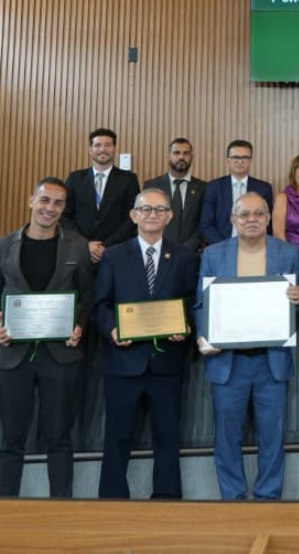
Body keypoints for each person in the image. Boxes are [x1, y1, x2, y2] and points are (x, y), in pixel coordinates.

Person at [0, 177, 93, 497]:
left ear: (64, 208)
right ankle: (3, 509)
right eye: (44, 200)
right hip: (13, 356)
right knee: (11, 440)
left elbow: (87, 295)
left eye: (58, 203)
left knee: (60, 439)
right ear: (31, 201)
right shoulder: (1, 247)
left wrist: (79, 325)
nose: (50, 208)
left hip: (61, 355)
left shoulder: (78, 246)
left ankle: (62, 509)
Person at [195, 192, 299, 500]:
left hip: (272, 362)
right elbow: (201, 304)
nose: (252, 219)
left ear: (269, 219)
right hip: (228, 362)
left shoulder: (288, 253)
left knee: (273, 437)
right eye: (244, 214)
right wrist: (204, 336)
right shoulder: (213, 254)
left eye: (259, 214)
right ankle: (233, 500)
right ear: (233, 220)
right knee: (226, 438)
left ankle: (268, 498)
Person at [92, 188, 197, 499]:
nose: (153, 214)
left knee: (167, 437)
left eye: (160, 209)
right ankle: (113, 502)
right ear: (133, 215)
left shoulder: (185, 258)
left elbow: (191, 301)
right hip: (124, 362)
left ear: (170, 216)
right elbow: (101, 304)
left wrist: (186, 325)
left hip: (167, 362)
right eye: (146, 209)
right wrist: (112, 329)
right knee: (117, 438)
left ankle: (167, 501)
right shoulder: (113, 256)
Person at [62, 127, 140, 263]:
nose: (102, 149)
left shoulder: (129, 179)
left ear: (114, 149)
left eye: (107, 145)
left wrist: (106, 246)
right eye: (97, 145)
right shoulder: (75, 179)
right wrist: (85, 244)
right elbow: (64, 216)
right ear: (90, 150)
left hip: (116, 251)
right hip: (80, 252)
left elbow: (132, 217)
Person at [200, 139, 273, 245]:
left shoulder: (264, 189)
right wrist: (226, 246)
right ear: (228, 160)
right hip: (221, 247)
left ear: (250, 160)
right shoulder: (214, 187)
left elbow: (267, 224)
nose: (240, 161)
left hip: (254, 247)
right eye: (235, 157)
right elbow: (206, 225)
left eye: (245, 157)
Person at [144, 137, 207, 254]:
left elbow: (204, 223)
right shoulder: (151, 186)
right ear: (168, 156)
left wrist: (187, 249)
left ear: (192, 157)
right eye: (176, 153)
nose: (181, 157)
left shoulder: (203, 188)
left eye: (186, 153)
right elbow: (146, 220)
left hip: (191, 254)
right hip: (158, 252)